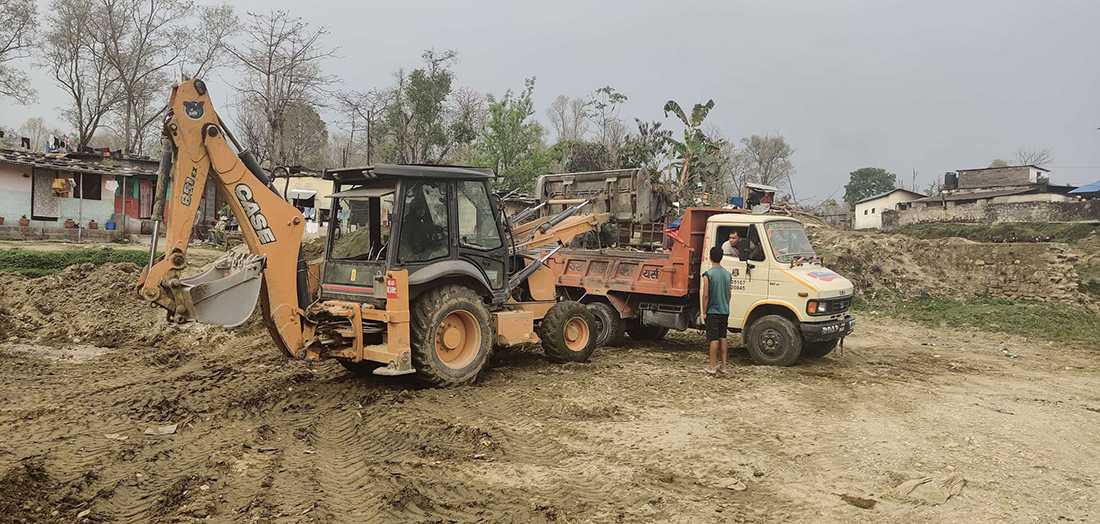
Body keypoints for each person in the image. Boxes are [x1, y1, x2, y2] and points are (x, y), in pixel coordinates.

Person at [700, 246, 732, 374]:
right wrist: (725, 304)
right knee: (722, 337)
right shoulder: (727, 274)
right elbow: (729, 294)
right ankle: (723, 366)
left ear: (710, 257)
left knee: (713, 339)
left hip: (713, 311)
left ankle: (712, 366)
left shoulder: (708, 274)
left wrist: (704, 311)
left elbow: (706, 295)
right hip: (725, 310)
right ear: (722, 257)